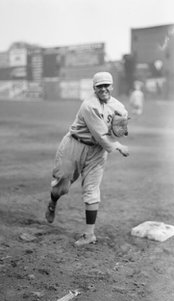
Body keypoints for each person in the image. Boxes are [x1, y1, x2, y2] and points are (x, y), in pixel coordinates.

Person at [45, 72, 129, 246]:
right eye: (100, 86)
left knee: (92, 189)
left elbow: (118, 129)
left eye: (107, 85)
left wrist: (121, 129)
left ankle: (89, 234)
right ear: (94, 88)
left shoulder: (119, 107)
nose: (104, 89)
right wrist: (118, 145)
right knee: (61, 186)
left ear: (112, 86)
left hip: (97, 153)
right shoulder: (89, 105)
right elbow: (101, 135)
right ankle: (53, 202)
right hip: (74, 146)